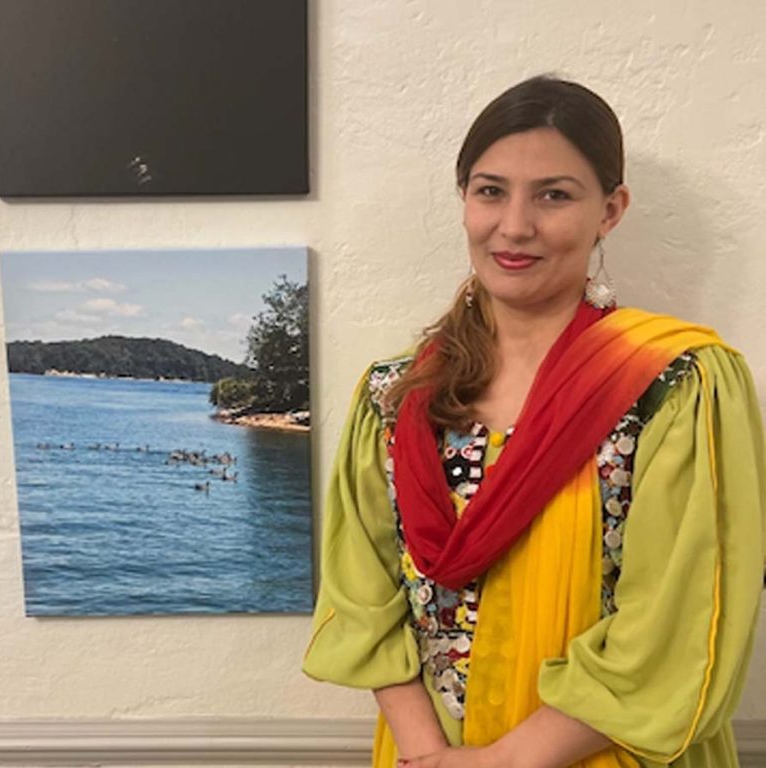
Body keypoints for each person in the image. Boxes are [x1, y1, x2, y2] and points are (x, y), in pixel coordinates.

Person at [302, 75, 765, 768]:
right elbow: (365, 597)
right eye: (491, 190)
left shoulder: (673, 385)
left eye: (554, 195)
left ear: (610, 210)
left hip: (608, 754)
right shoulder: (394, 396)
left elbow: (681, 621)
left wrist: (505, 762)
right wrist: (430, 754)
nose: (514, 226)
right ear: (464, 199)